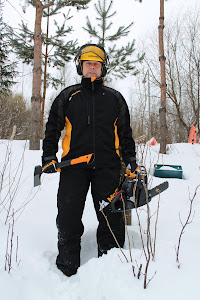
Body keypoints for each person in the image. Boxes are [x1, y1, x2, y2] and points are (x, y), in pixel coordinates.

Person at [42, 44, 137, 277]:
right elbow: (53, 128)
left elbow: (125, 133)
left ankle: (111, 265)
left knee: (111, 216)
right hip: (74, 167)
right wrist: (48, 156)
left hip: (108, 167)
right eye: (87, 64)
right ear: (80, 67)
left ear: (103, 68)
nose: (92, 68)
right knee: (68, 215)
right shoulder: (68, 96)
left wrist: (131, 160)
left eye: (96, 64)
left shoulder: (115, 99)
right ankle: (67, 266)